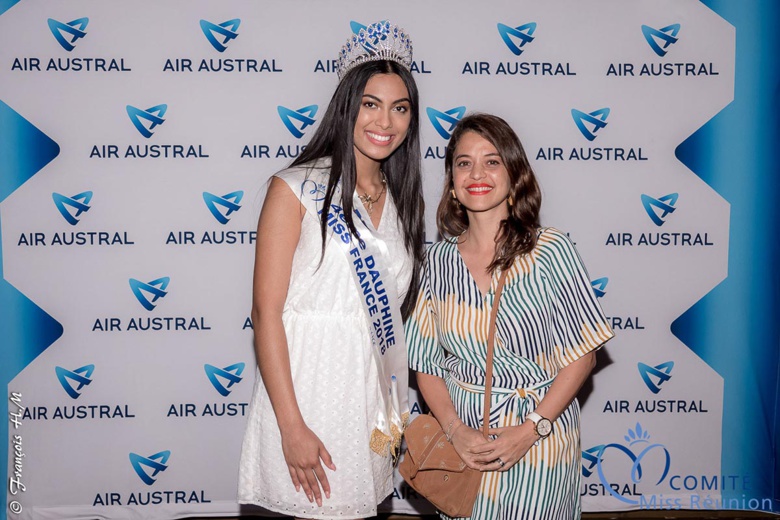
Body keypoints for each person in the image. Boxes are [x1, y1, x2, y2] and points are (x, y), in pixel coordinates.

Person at [238, 21, 425, 520]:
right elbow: (266, 312)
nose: (385, 120)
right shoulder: (295, 188)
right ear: (346, 107)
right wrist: (291, 426)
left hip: (369, 403)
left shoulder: (402, 202)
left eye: (400, 107)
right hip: (308, 396)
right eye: (370, 103)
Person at [406, 113, 614, 519]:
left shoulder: (551, 250)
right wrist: (454, 430)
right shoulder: (436, 262)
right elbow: (426, 364)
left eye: (492, 161)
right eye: (464, 163)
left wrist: (531, 429)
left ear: (514, 174)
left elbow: (583, 356)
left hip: (539, 443)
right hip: (465, 446)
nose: (476, 173)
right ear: (452, 182)